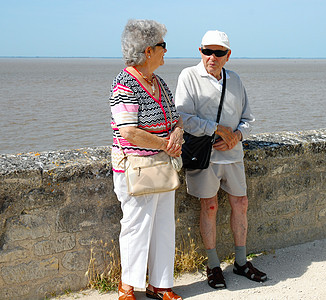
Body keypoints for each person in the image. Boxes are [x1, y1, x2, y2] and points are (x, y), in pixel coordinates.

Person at [175, 30, 267, 289]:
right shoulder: (188, 76)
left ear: (228, 55)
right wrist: (217, 129)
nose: (212, 57)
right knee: (210, 206)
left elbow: (248, 120)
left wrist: (235, 135)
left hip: (233, 155)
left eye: (218, 52)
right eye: (207, 51)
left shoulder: (235, 80)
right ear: (200, 51)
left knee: (241, 203)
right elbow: (182, 117)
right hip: (205, 156)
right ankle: (213, 265)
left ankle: (240, 261)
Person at [110, 19, 184, 300]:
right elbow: (129, 131)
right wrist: (166, 144)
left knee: (164, 225)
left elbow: (175, 117)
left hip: (161, 167)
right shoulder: (125, 83)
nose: (167, 51)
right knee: (136, 225)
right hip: (136, 167)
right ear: (148, 50)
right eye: (163, 46)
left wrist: (177, 132)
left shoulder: (159, 83)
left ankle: (160, 284)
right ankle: (127, 285)